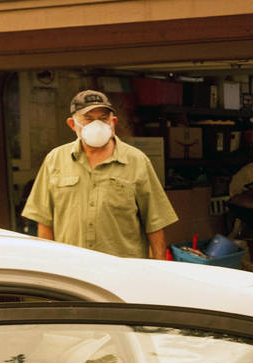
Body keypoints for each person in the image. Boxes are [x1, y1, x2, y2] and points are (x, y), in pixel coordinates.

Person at [22, 89, 177, 259]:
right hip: (71, 268)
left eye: (103, 118)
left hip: (123, 270)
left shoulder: (136, 161)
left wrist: (159, 267)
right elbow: (44, 221)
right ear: (72, 124)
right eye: (88, 119)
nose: (97, 125)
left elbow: (155, 223)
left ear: (113, 122)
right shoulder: (55, 160)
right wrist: (50, 264)